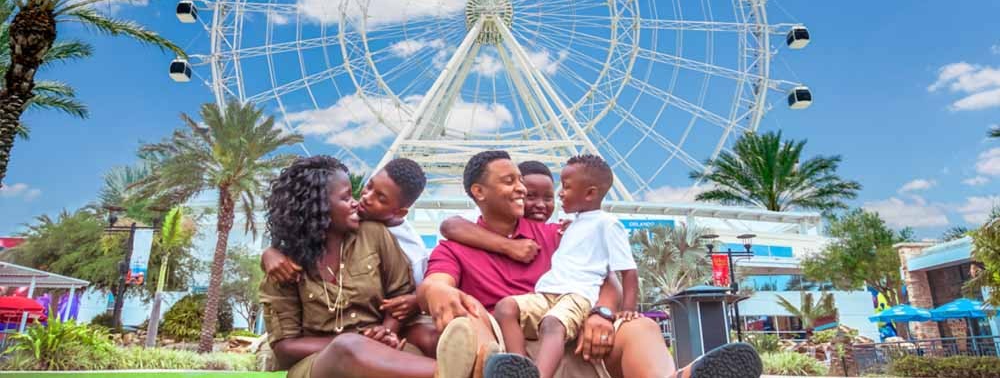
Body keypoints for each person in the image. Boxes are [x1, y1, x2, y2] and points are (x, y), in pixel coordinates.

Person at [418, 150, 764, 378]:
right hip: (513, 348)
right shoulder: (454, 247)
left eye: (521, 181)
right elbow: (437, 282)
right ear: (479, 193)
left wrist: (602, 313)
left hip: (574, 333)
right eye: (511, 182)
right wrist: (435, 290)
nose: (522, 190)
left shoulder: (557, 233)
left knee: (640, 328)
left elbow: (607, 279)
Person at [259, 156, 480, 378]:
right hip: (319, 363)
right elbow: (285, 348)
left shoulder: (375, 234)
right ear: (318, 208)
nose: (358, 201)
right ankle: (468, 374)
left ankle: (473, 367)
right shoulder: (284, 265)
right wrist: (361, 341)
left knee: (438, 336)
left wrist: (386, 331)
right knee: (347, 348)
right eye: (346, 197)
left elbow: (400, 297)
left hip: (384, 349)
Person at [489, 155, 638, 378]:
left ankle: (538, 376)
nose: (560, 193)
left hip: (577, 295)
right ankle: (519, 368)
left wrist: (627, 309)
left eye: (566, 188)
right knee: (506, 308)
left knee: (552, 325)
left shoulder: (608, 224)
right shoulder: (574, 224)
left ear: (589, 193)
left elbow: (628, 270)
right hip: (547, 293)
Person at [263, 158, 431, 338]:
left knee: (427, 337)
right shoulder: (350, 219)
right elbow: (302, 221)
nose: (365, 198)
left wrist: (415, 302)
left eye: (381, 198)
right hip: (332, 347)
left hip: (393, 327)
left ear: (399, 212)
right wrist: (269, 253)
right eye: (369, 187)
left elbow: (407, 296)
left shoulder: (409, 250)